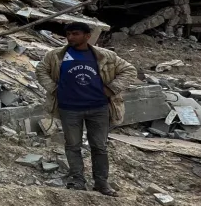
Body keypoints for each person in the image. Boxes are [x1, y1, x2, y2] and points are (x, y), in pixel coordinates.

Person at [35, 22, 137, 196]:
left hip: (98, 108)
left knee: (99, 146)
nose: (70, 37)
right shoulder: (56, 55)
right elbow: (41, 70)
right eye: (68, 34)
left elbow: (129, 70)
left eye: (75, 34)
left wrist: (111, 89)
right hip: (69, 109)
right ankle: (77, 181)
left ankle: (101, 183)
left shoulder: (104, 56)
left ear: (87, 36)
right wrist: (53, 88)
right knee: (73, 145)